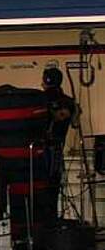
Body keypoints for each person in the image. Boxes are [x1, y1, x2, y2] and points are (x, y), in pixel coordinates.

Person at [42, 66, 76, 211]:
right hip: (58, 149)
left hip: (42, 151)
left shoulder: (40, 100)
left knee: (42, 187)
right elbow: (75, 122)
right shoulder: (69, 102)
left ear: (46, 81)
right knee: (54, 187)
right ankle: (52, 219)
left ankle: (44, 223)